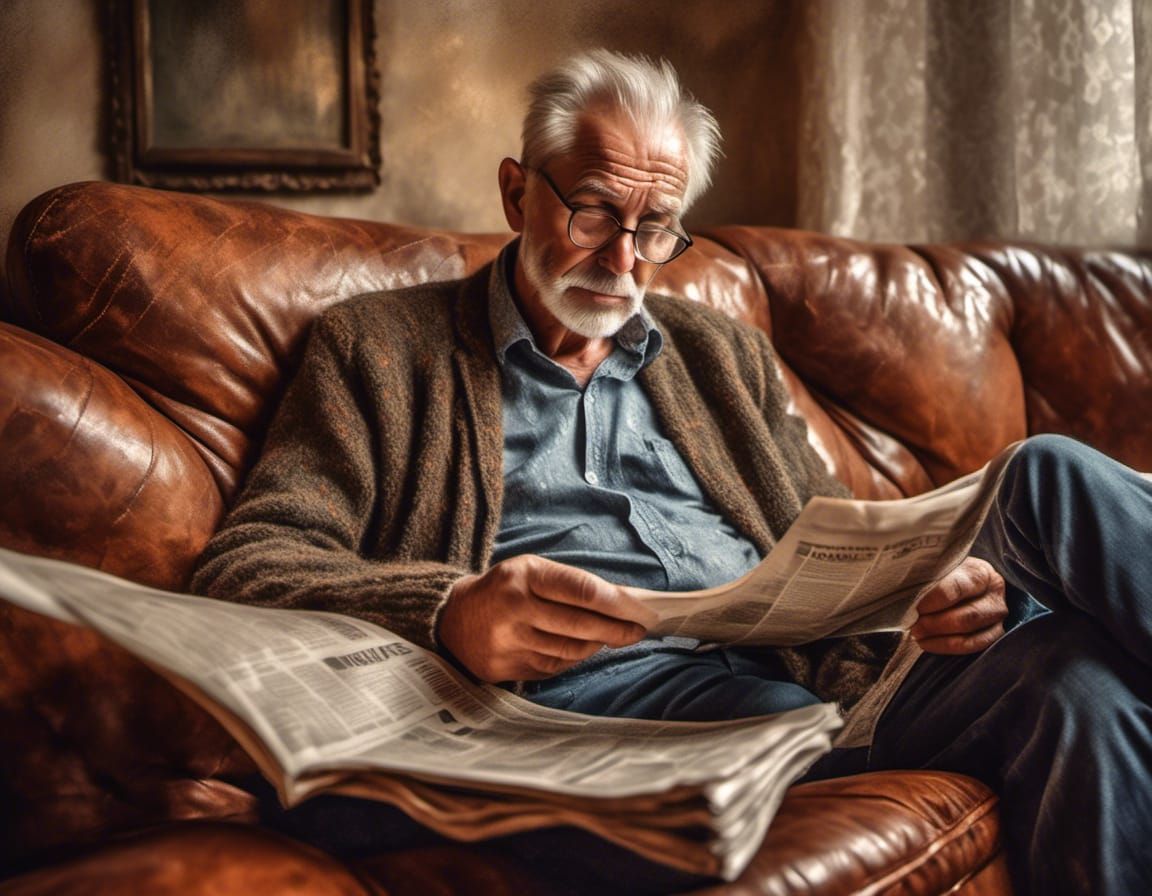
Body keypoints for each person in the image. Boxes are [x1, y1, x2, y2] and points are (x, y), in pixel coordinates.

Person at [192, 49, 1152, 895]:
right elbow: (250, 566)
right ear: (517, 190)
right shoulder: (380, 350)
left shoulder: (715, 353)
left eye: (656, 226)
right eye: (597, 211)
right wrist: (449, 610)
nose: (625, 258)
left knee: (1076, 673)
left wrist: (930, 598)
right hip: (609, 718)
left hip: (818, 687)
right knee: (1046, 477)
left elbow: (829, 535)